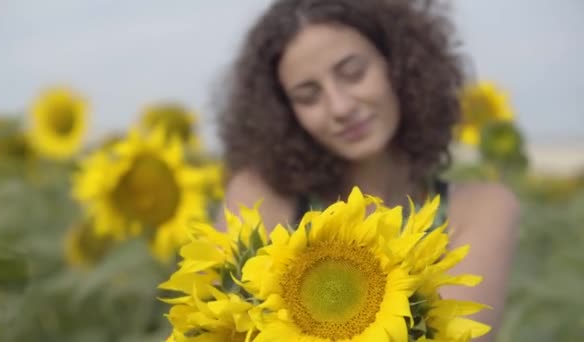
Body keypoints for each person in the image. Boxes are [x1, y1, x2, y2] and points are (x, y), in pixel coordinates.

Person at [216, 0, 519, 338]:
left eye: (353, 73)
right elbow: (218, 323)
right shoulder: (263, 196)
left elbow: (458, 335)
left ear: (398, 65)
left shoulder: (481, 209)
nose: (340, 106)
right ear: (286, 115)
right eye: (308, 96)